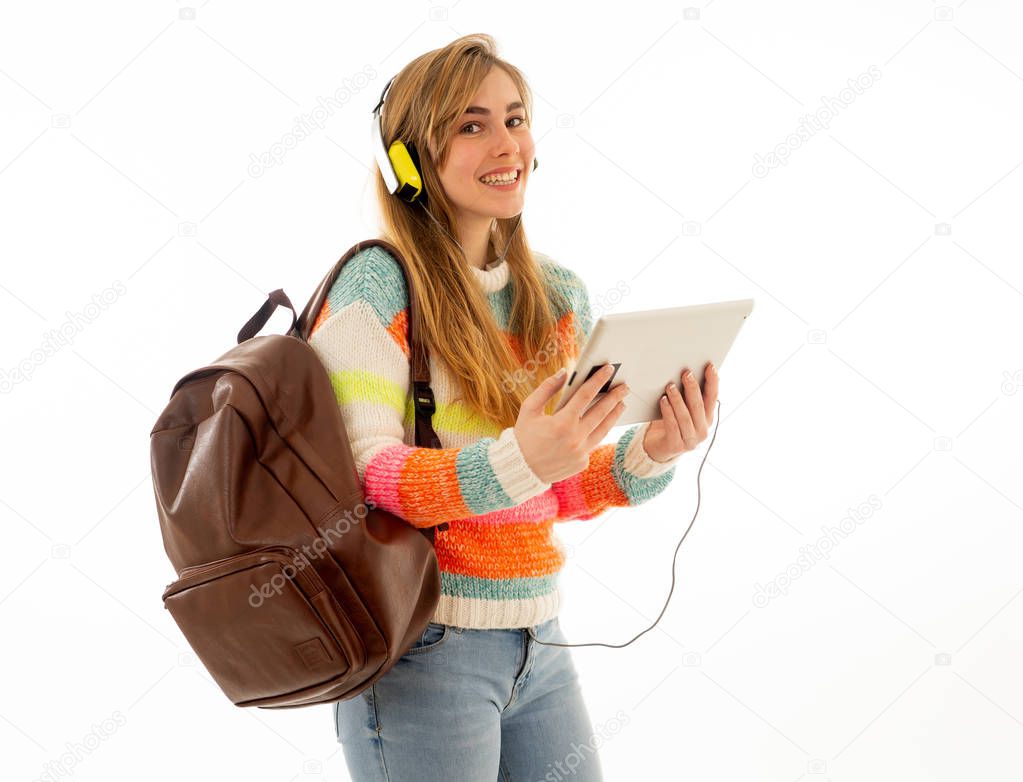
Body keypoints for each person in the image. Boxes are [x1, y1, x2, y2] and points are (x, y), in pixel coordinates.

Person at [308, 32, 719, 782]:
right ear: (409, 162)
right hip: (421, 649)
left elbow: (550, 488)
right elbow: (364, 476)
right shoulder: (378, 285)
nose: (507, 144)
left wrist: (651, 452)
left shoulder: (555, 297)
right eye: (470, 125)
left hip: (538, 641)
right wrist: (518, 458)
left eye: (516, 117)